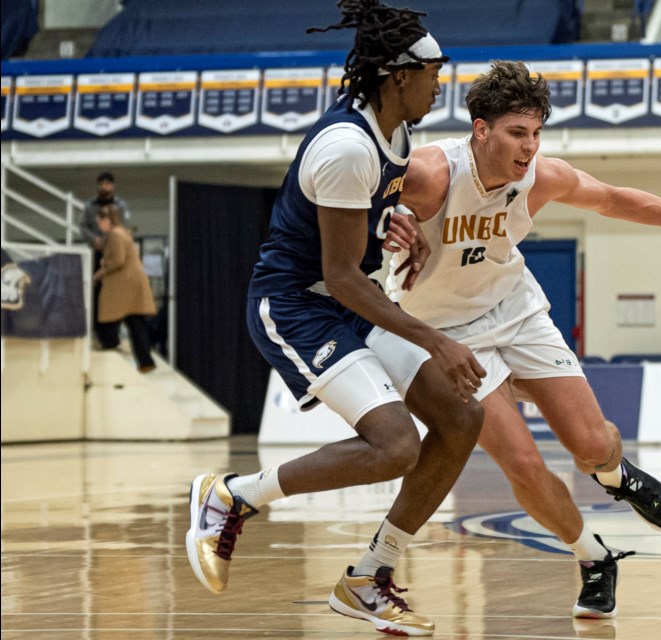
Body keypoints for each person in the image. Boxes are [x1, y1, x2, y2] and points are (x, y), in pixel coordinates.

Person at [386, 61, 661, 619]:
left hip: (514, 311)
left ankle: (616, 474)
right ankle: (593, 556)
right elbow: (347, 194)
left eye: (537, 134)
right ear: (481, 129)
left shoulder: (539, 175)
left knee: (590, 445)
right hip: (446, 335)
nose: (529, 146)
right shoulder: (429, 173)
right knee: (521, 463)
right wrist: (388, 219)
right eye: (518, 133)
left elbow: (613, 198)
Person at [184, 2, 485, 637]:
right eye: (433, 72)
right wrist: (434, 338)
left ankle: (368, 578)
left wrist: (392, 224)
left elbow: (355, 234)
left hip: (343, 297)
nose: (441, 84)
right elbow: (343, 275)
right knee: (397, 445)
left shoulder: (395, 135)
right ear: (398, 75)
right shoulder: (348, 145)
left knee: (462, 417)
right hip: (295, 304)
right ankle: (233, 496)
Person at [92, 204, 156, 373]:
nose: (99, 225)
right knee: (135, 324)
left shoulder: (115, 235)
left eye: (100, 222)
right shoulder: (122, 232)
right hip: (130, 284)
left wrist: (103, 268)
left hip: (125, 285)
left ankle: (111, 348)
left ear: (107, 220)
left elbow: (118, 260)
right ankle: (145, 361)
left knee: (106, 320)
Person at [82, 171, 132, 348]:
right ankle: (99, 334)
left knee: (115, 292)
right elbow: (83, 228)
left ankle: (114, 334)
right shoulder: (89, 206)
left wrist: (110, 240)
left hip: (115, 252)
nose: (105, 186)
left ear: (113, 186)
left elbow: (124, 228)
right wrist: (94, 240)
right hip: (96, 253)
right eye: (102, 183)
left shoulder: (121, 206)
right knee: (97, 293)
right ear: (98, 185)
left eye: (108, 183)